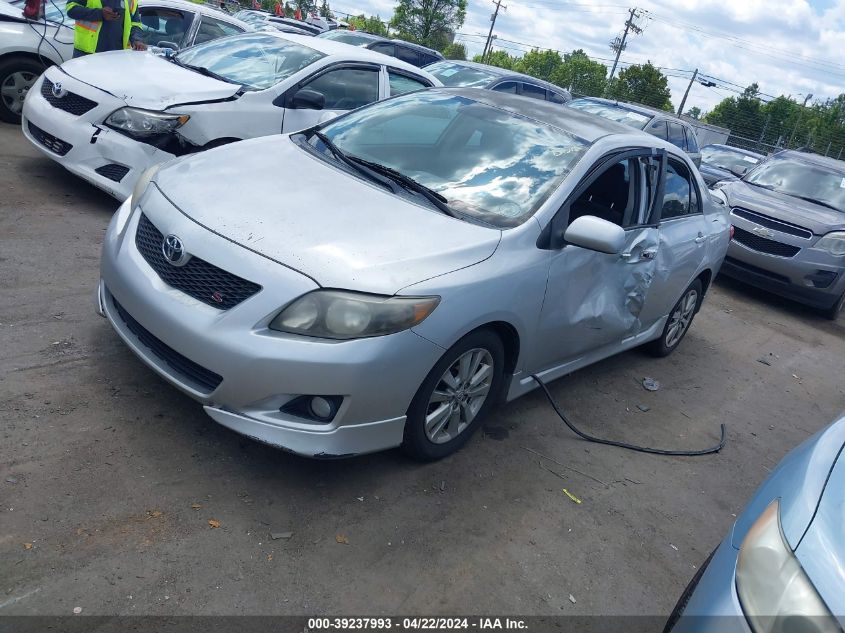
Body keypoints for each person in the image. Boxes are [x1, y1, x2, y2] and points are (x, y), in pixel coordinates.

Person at [66, 0, 146, 57]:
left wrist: (137, 40)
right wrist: (99, 14)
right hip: (87, 53)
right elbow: (71, 9)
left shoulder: (131, 1)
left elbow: (135, 23)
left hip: (118, 54)